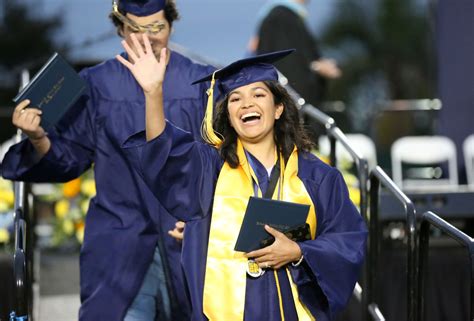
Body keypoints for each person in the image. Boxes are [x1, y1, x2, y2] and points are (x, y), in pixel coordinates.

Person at [119, 33, 367, 321]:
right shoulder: (208, 169)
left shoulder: (318, 178)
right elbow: (162, 152)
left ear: (278, 108)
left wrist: (299, 251)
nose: (246, 104)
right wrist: (153, 93)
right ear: (228, 115)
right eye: (235, 98)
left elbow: (348, 240)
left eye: (258, 94)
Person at [0, 0, 217, 320]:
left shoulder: (204, 84)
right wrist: (37, 137)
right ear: (120, 29)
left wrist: (207, 220)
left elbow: (228, 164)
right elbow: (69, 157)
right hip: (121, 243)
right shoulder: (96, 85)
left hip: (193, 245)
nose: (147, 38)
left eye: (156, 27)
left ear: (171, 25)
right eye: (135, 29)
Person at [251, 0, 341, 107]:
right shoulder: (282, 17)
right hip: (293, 110)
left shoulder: (284, 16)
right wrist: (317, 67)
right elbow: (288, 67)